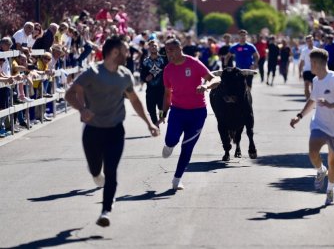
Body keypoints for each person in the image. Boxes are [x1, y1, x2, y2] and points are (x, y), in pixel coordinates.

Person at [64, 35, 159, 227]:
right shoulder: (92, 72)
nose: (128, 54)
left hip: (115, 130)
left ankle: (106, 210)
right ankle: (96, 175)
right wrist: (82, 109)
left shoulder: (125, 75)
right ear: (114, 52)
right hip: (92, 130)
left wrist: (149, 122)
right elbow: (69, 94)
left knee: (112, 171)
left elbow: (134, 100)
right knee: (95, 169)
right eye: (125, 51)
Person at [290, 48, 334, 206]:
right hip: (320, 123)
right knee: (313, 152)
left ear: (317, 63)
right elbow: (312, 100)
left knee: (333, 163)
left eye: (311, 62)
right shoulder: (316, 80)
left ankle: (330, 189)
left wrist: (332, 105)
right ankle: (320, 171)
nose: (309, 65)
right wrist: (299, 116)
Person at [158, 38, 220, 190]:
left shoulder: (193, 63)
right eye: (166, 51)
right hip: (177, 111)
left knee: (187, 147)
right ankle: (170, 144)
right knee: (171, 140)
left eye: (171, 50)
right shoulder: (168, 69)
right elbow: (167, 94)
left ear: (180, 49)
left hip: (197, 113)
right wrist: (163, 113)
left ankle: (177, 179)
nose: (169, 54)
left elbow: (216, 78)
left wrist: (206, 86)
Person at [140, 40, 167, 124]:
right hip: (150, 89)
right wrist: (145, 78)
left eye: (155, 46)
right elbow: (142, 74)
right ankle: (156, 125)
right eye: (151, 46)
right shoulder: (145, 61)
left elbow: (169, 71)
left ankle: (161, 116)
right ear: (149, 48)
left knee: (161, 108)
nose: (154, 47)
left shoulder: (164, 59)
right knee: (151, 109)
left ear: (158, 47)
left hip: (161, 88)